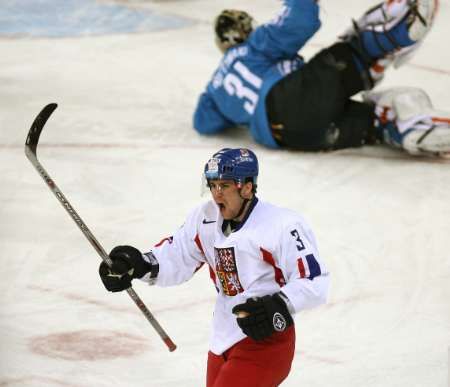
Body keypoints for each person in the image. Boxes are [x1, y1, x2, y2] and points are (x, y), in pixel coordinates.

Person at [99, 148, 330, 387]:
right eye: (213, 186)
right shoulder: (205, 218)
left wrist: (279, 305)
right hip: (223, 339)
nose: (217, 195)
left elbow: (315, 281)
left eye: (225, 186)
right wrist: (138, 265)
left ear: (247, 187)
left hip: (265, 340)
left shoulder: (282, 224)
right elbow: (178, 254)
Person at [192, 0, 450, 157]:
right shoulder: (255, 46)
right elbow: (299, 21)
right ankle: (400, 31)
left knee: (374, 122)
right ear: (247, 30)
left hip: (289, 137)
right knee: (354, 49)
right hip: (291, 95)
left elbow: (203, 123)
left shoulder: (214, 89)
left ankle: (404, 129)